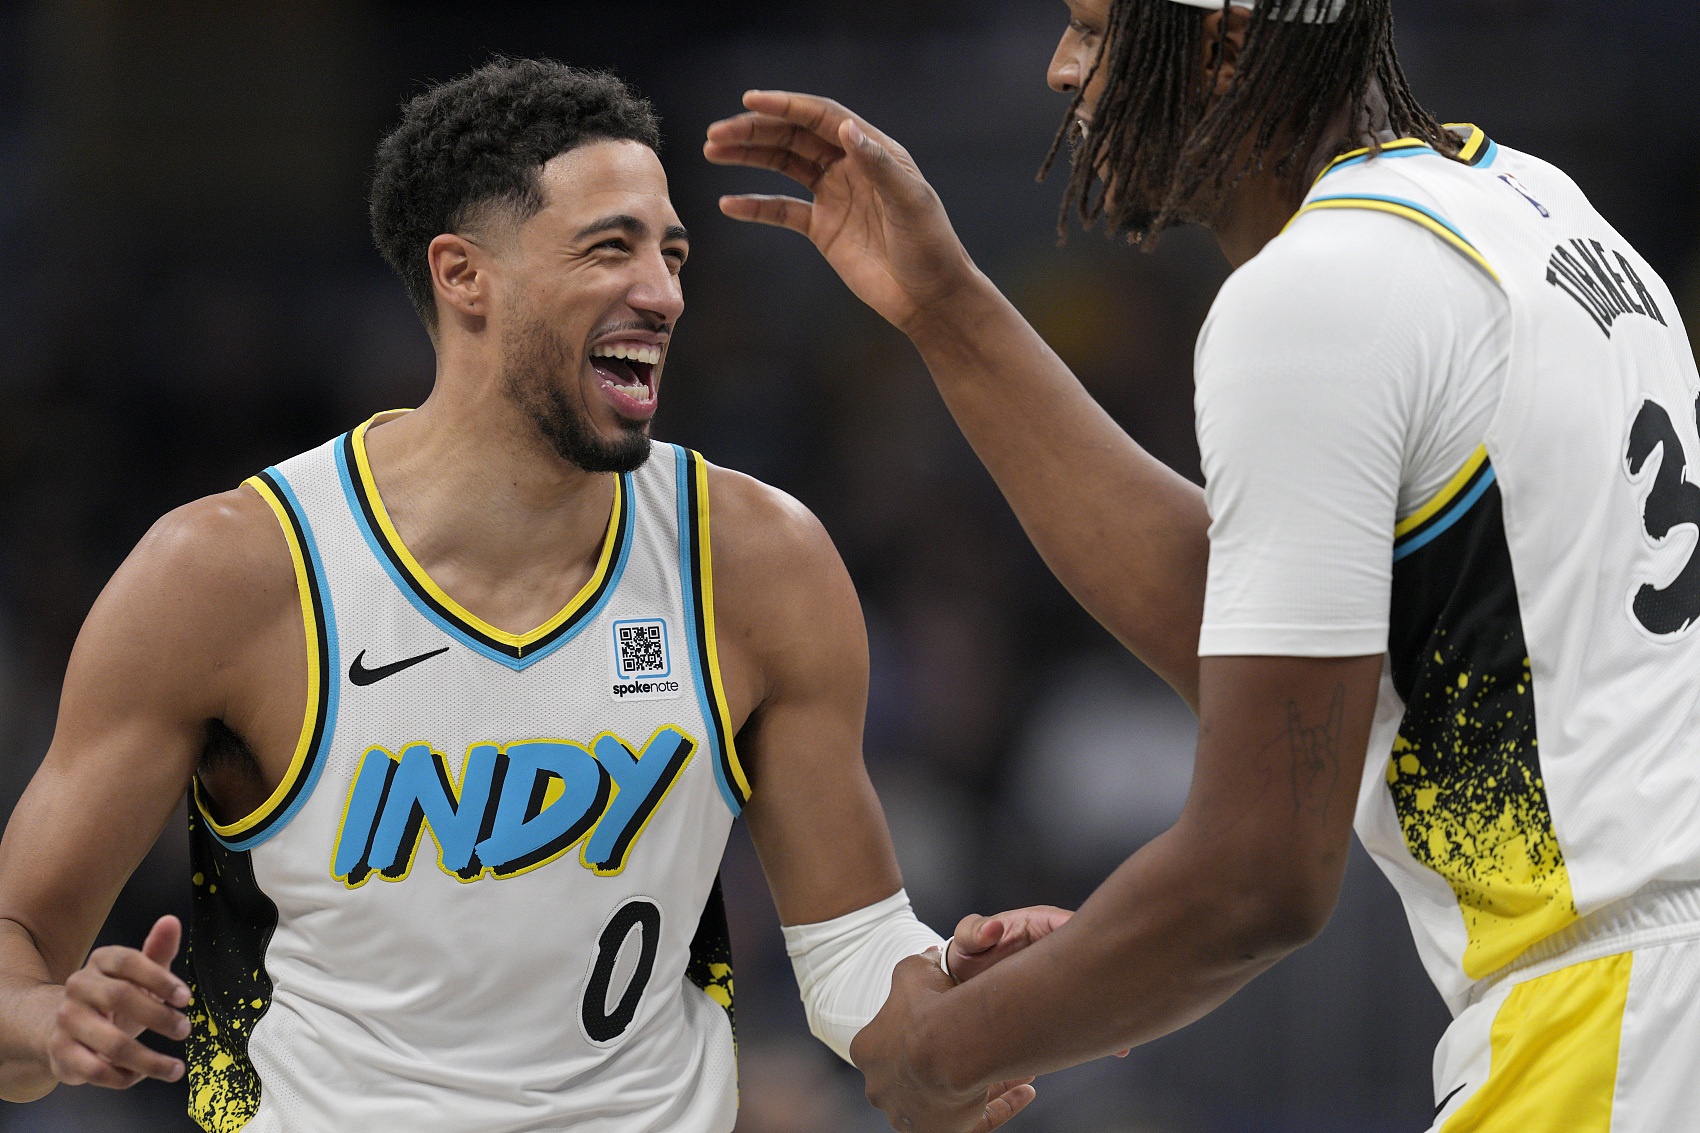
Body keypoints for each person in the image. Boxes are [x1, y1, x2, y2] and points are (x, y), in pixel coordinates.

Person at [0, 58, 1052, 1133]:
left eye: (672, 254)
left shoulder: (757, 558)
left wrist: (962, 995)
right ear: (463, 275)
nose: (664, 293)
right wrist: (47, 1022)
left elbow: (849, 952)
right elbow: (15, 949)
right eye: (610, 248)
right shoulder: (230, 573)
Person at [704, 0, 1700, 1129]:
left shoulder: (1318, 289)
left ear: (1220, 44)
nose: (1060, 68)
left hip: (1612, 1032)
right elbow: (1258, 650)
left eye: (1094, 30)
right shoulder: (1534, 209)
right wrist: (945, 310)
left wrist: (943, 1049)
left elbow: (1255, 877)